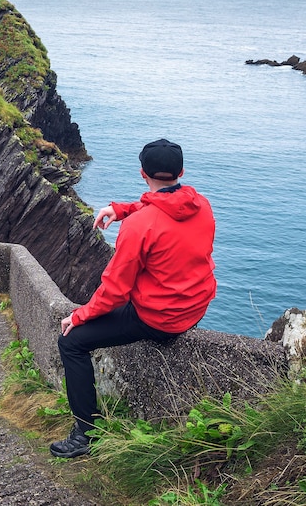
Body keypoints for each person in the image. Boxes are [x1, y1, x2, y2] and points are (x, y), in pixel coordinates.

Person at [49, 138, 217, 459]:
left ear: (143, 173)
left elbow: (114, 292)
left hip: (160, 319)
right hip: (196, 306)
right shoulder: (202, 205)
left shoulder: (139, 226)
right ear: (181, 171)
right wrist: (121, 209)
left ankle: (85, 433)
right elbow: (164, 206)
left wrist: (79, 316)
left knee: (71, 342)